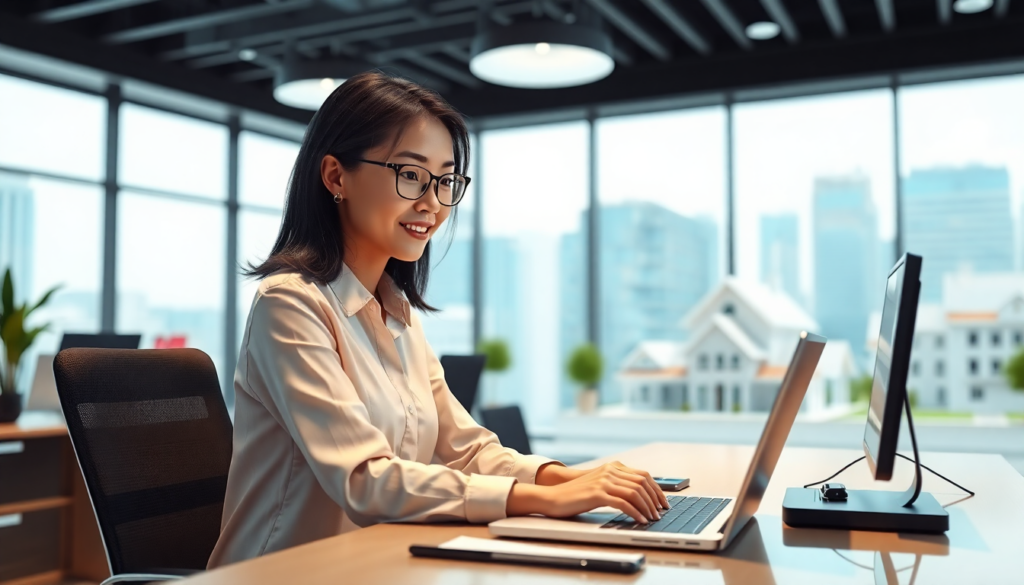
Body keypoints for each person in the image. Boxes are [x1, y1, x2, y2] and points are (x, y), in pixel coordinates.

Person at [208, 71, 668, 568]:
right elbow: (365, 480)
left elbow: (466, 450)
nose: (431, 203)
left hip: (370, 566)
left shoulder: (397, 314)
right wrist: (540, 499)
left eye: (446, 180)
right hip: (278, 574)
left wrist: (570, 478)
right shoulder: (290, 306)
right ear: (336, 176)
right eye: (410, 174)